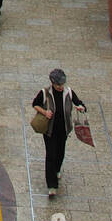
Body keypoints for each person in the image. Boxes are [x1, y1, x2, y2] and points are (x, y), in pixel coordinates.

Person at [32, 68, 86, 197]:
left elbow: (80, 103)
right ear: (52, 83)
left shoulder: (69, 92)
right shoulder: (45, 93)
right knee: (50, 155)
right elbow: (35, 104)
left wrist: (81, 107)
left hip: (64, 130)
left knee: (60, 153)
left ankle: (57, 170)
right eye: (58, 85)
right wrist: (45, 112)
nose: (61, 87)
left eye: (62, 84)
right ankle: (52, 186)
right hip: (49, 130)